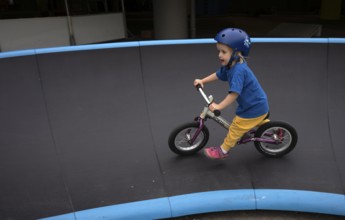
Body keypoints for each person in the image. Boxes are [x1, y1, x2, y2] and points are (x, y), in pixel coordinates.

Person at [193, 28, 269, 159]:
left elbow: (234, 94)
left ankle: (223, 151)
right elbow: (218, 74)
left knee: (235, 128)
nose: (219, 55)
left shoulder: (239, 71)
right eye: (219, 51)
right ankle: (274, 130)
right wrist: (203, 80)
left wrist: (219, 106)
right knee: (251, 124)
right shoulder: (231, 65)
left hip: (253, 108)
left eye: (224, 52)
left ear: (237, 53)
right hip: (256, 104)